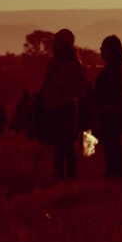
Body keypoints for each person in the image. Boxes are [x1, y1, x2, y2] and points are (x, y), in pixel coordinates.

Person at [39, 29, 90, 179]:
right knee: (58, 145)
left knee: (66, 145)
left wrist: (64, 92)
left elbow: (81, 89)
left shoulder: (73, 65)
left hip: (65, 108)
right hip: (55, 107)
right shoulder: (55, 62)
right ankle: (60, 174)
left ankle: (69, 175)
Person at [94, 35, 122, 180]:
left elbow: (112, 92)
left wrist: (105, 106)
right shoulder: (115, 69)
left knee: (112, 147)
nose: (100, 49)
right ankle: (115, 175)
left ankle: (114, 176)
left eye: (103, 46)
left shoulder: (112, 70)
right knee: (112, 146)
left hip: (110, 114)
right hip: (111, 113)